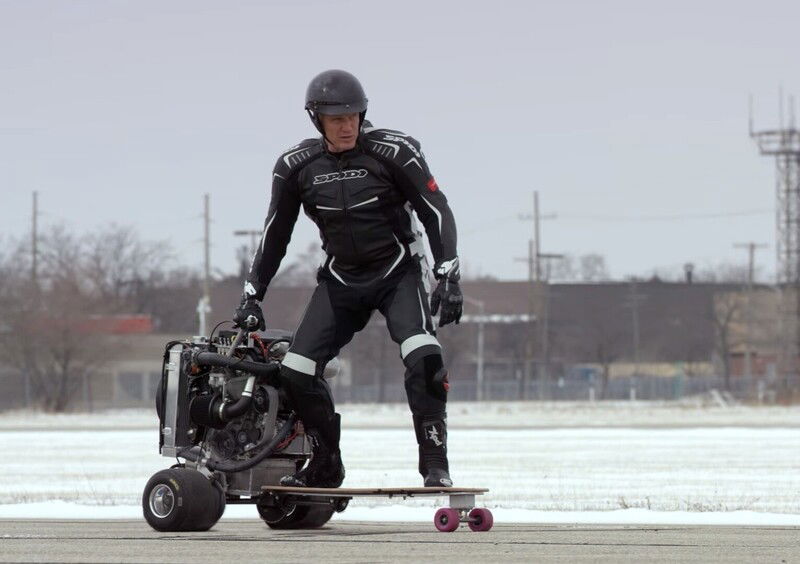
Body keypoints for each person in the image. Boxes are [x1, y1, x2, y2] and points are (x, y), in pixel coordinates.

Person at [233, 69, 462, 488]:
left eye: (354, 116)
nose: (347, 126)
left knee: (425, 357)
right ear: (315, 119)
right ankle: (326, 463)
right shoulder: (296, 166)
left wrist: (448, 273)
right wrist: (252, 294)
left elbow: (436, 210)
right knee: (296, 372)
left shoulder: (395, 151)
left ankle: (435, 463)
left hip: (397, 271)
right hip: (341, 278)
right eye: (336, 119)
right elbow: (275, 233)